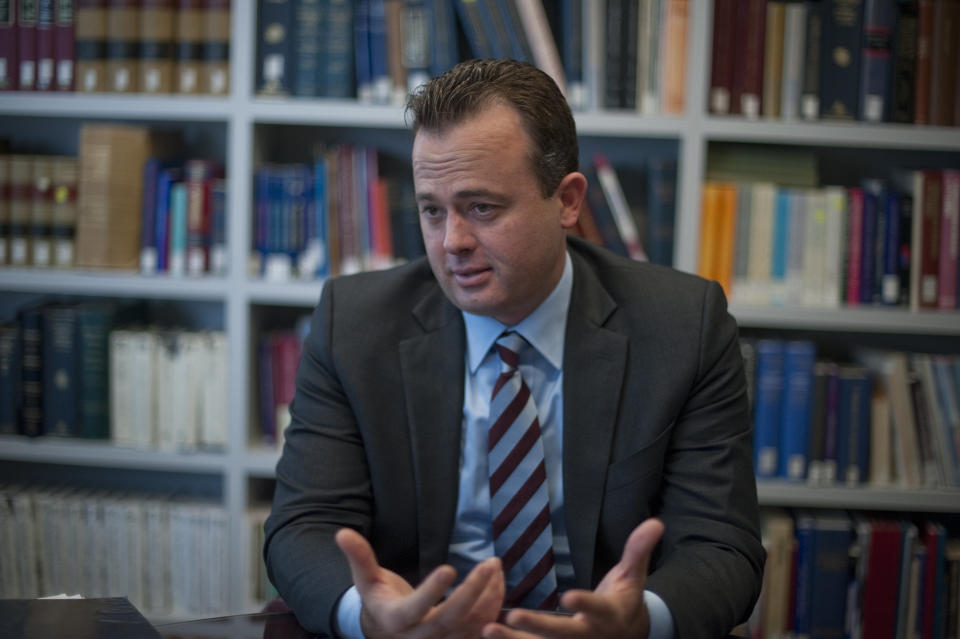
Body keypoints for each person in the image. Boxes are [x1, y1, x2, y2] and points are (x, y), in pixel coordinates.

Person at [264, 59, 764, 639]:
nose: (452, 242)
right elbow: (301, 527)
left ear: (567, 201)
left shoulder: (683, 327)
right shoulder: (354, 324)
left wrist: (639, 621)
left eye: (482, 208)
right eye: (432, 210)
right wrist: (368, 615)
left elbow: (723, 546)